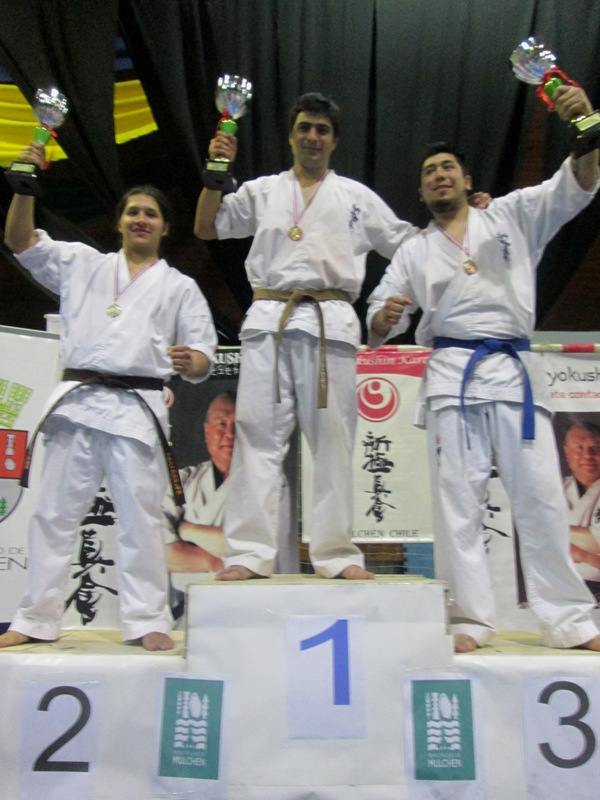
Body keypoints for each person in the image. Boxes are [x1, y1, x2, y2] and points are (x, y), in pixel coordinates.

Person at [367, 83, 600, 652]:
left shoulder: (512, 215)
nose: (439, 176)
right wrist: (383, 317)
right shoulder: (414, 251)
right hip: (452, 376)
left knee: (542, 498)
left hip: (515, 374)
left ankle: (569, 619)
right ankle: (471, 618)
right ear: (421, 191)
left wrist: (587, 128)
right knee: (458, 503)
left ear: (467, 179)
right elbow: (379, 314)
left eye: (448, 167)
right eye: (429, 172)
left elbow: (575, 185)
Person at [194, 91, 428, 581]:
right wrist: (216, 172)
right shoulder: (262, 191)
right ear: (291, 136)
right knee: (256, 440)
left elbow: (411, 245)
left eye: (322, 130)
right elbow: (207, 226)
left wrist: (464, 218)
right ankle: (248, 555)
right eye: (305, 127)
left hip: (330, 323)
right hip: (270, 321)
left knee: (333, 443)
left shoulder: (357, 198)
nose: (313, 137)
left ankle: (336, 553)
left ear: (334, 141)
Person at [0, 142, 217, 651]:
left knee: (141, 520)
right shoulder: (82, 264)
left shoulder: (179, 287)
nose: (141, 219)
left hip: (137, 412)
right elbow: (19, 241)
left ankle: (147, 620)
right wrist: (25, 185)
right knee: (53, 515)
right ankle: (36, 617)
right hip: (78, 404)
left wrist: (193, 362)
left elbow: (203, 353)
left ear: (165, 228)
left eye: (151, 214)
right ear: (119, 222)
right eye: (133, 211)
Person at [162, 390, 297, 617]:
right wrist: (217, 563)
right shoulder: (182, 480)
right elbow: (159, 552)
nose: (230, 434)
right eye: (221, 424)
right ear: (207, 431)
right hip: (186, 609)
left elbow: (254, 547)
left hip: (253, 606)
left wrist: (186, 529)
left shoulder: (269, 480)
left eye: (238, 426)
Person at [562, 419, 600, 597]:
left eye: (595, 448)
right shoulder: (554, 489)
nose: (587, 455)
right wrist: (589, 557)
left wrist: (551, 530)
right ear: (566, 452)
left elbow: (597, 541)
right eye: (579, 447)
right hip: (558, 585)